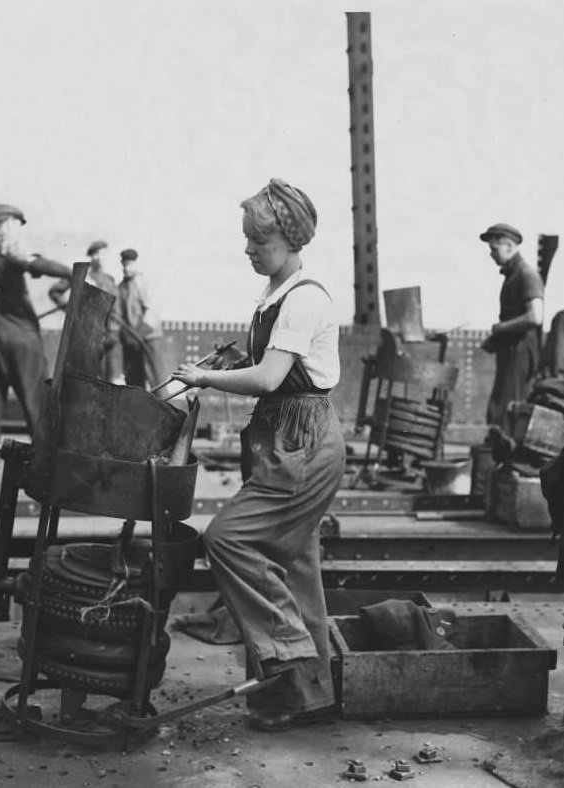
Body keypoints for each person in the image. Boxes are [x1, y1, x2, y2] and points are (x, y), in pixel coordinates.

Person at [171, 178, 344, 732]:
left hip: (301, 439)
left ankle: (291, 664)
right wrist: (225, 362)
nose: (248, 249)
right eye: (247, 239)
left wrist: (206, 377)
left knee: (227, 540)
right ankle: (306, 697)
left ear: (290, 242)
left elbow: (272, 376)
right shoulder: (276, 294)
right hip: (285, 437)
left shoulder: (305, 297)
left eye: (258, 242)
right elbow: (271, 360)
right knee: (293, 564)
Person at [0, 203, 72, 459]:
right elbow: (30, 262)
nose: (19, 231)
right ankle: (47, 465)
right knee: (37, 402)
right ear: (8, 224)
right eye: (18, 225)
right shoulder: (6, 244)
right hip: (20, 337)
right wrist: (70, 273)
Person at [479, 222, 544, 425]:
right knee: (504, 404)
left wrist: (501, 328)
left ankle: (506, 453)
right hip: (512, 349)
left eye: (494, 249)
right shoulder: (513, 275)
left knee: (508, 407)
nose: (491, 255)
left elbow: (535, 317)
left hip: (520, 351)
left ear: (509, 246)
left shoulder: (526, 275)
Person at [49, 239, 123, 383]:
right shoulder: (82, 276)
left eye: (103, 255)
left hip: (109, 338)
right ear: (92, 257)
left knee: (111, 380)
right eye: (97, 255)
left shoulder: (109, 280)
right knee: (87, 378)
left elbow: (116, 311)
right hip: (86, 335)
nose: (100, 258)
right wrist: (70, 308)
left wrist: (113, 333)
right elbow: (55, 291)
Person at [117, 248, 165, 388]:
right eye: (124, 265)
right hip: (132, 342)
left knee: (157, 379)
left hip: (149, 337)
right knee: (134, 381)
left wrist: (138, 333)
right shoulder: (121, 287)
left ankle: (163, 406)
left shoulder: (143, 282)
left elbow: (151, 312)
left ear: (136, 264)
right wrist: (127, 336)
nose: (126, 268)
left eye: (130, 265)